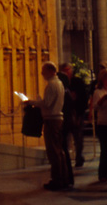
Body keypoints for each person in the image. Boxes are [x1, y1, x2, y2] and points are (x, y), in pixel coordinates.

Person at [30, 61, 72, 191]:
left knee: (53, 151)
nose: (42, 73)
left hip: (52, 120)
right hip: (57, 118)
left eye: (44, 71)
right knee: (59, 151)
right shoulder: (59, 83)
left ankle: (57, 180)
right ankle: (64, 178)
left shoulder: (52, 85)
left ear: (50, 70)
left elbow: (47, 103)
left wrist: (31, 102)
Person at [89, 67, 107, 183]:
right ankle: (103, 174)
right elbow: (96, 106)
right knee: (105, 150)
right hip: (103, 123)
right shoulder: (98, 92)